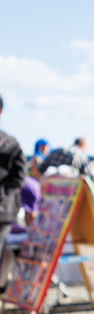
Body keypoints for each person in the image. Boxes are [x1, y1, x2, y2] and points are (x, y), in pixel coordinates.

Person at [0, 94, 27, 254]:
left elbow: (19, 178)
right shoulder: (11, 143)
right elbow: (19, 178)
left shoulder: (11, 144)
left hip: (4, 210)